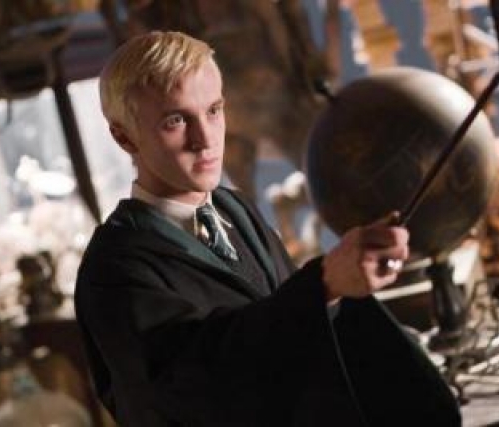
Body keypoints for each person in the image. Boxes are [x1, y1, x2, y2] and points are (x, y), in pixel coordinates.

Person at [74, 31, 461, 427]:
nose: (205, 139)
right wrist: (324, 285)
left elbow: (294, 347)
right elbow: (195, 388)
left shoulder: (236, 210)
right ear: (124, 137)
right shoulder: (112, 270)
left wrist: (337, 294)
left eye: (214, 110)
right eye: (175, 121)